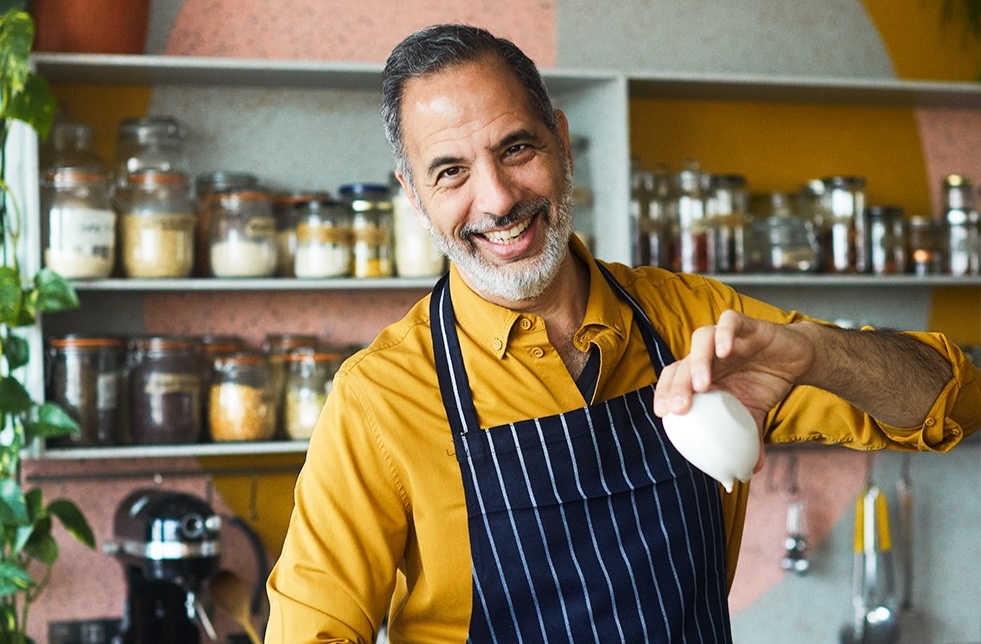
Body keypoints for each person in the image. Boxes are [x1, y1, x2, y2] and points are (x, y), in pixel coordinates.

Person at [265, 23, 981, 643]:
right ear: (414, 196)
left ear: (563, 143)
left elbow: (955, 404)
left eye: (516, 149)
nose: (498, 198)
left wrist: (815, 352)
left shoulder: (691, 321)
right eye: (450, 171)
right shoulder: (379, 399)